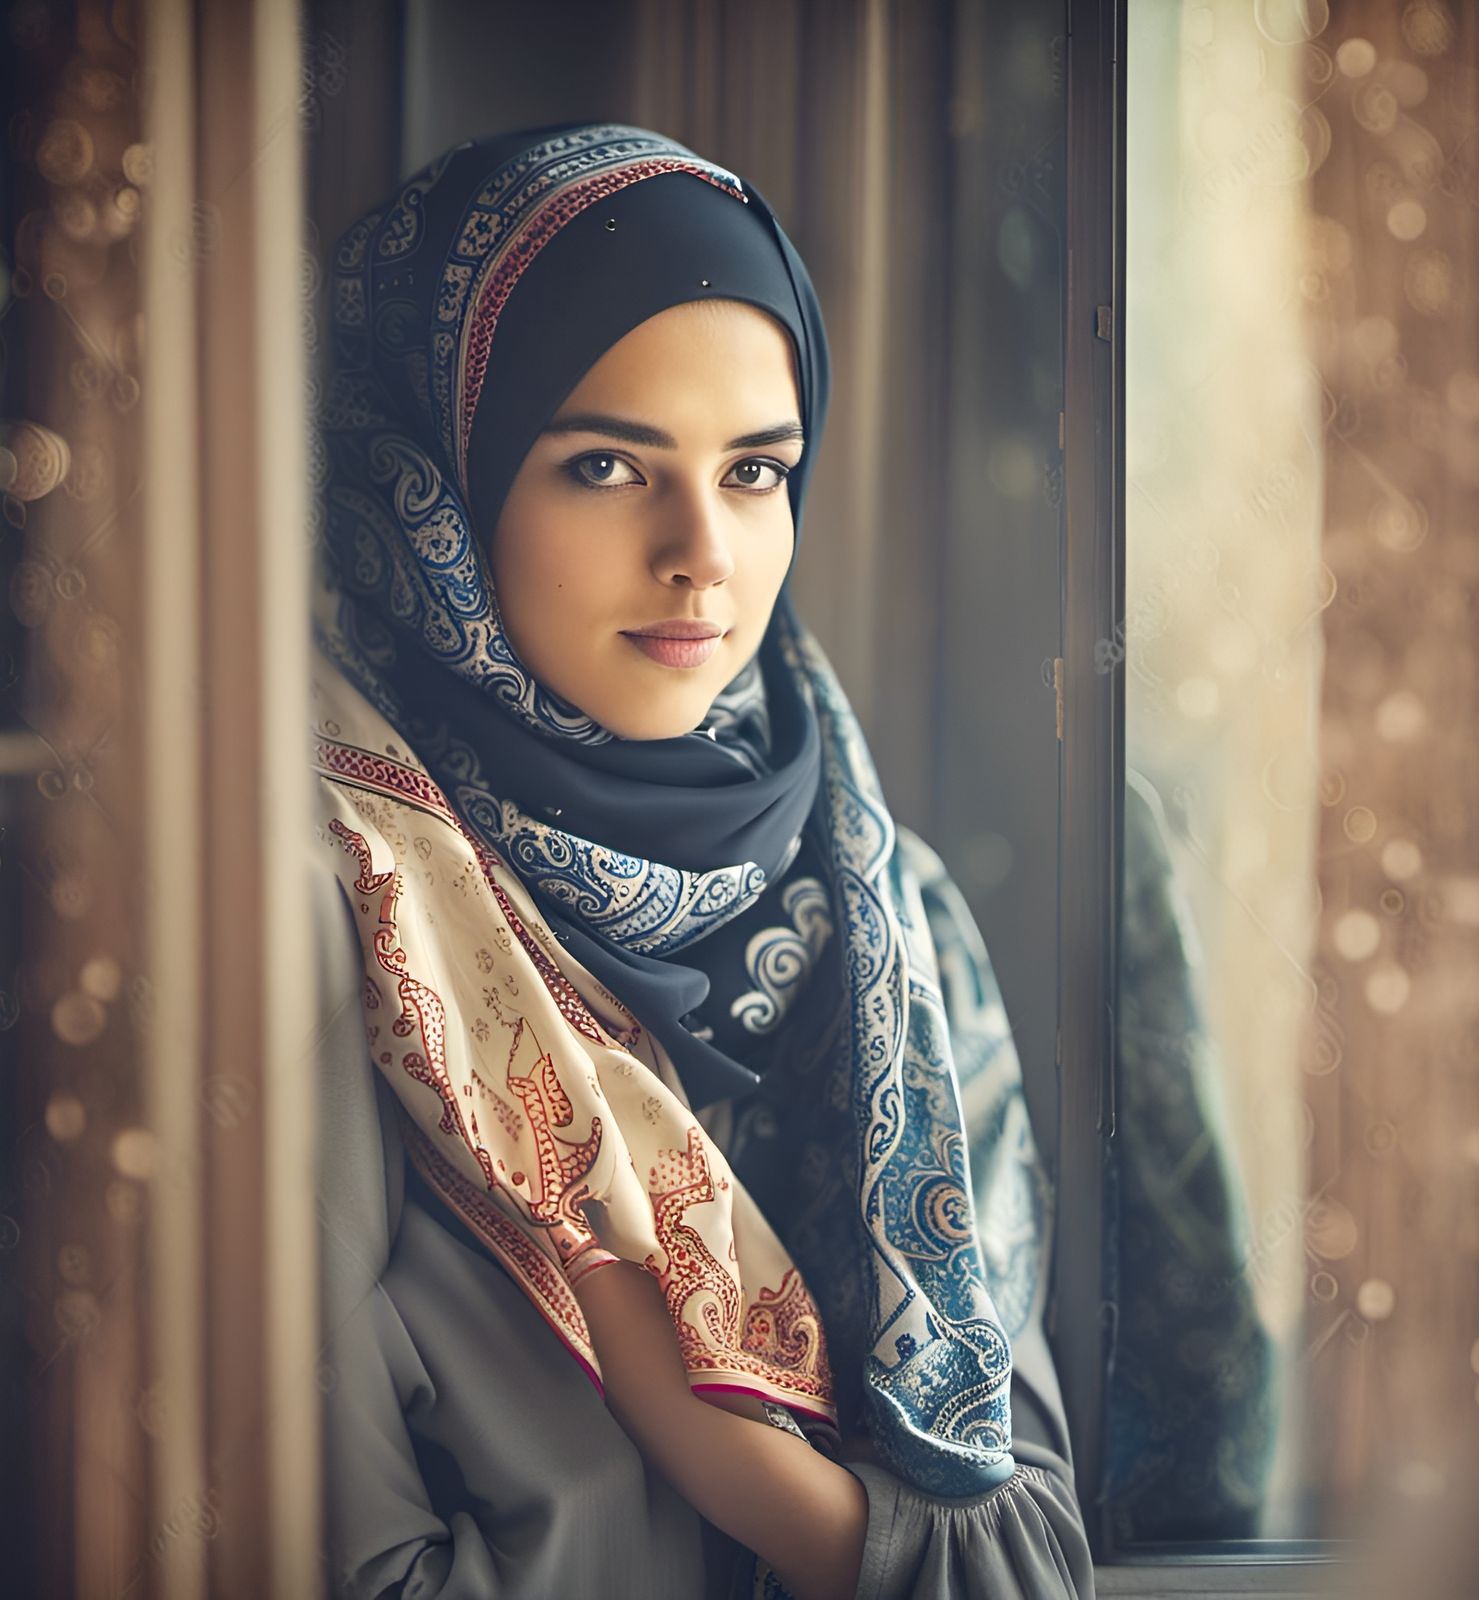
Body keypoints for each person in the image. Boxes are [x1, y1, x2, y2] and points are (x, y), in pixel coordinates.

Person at [307, 120, 1095, 1600]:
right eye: (606, 464)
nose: (703, 555)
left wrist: (719, 1445)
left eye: (754, 470)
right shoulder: (336, 912)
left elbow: (1032, 1555)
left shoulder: (887, 904)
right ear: (426, 487)